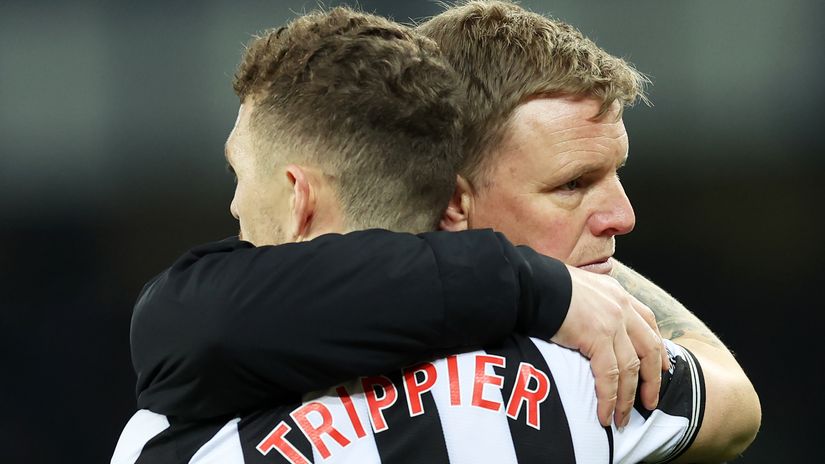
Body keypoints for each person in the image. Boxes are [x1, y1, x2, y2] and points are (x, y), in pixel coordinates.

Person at [112, 4, 759, 463]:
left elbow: (191, 317)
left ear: (299, 194)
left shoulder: (177, 434)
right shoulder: (580, 388)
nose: (622, 215)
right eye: (570, 184)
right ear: (454, 201)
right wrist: (544, 281)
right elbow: (730, 398)